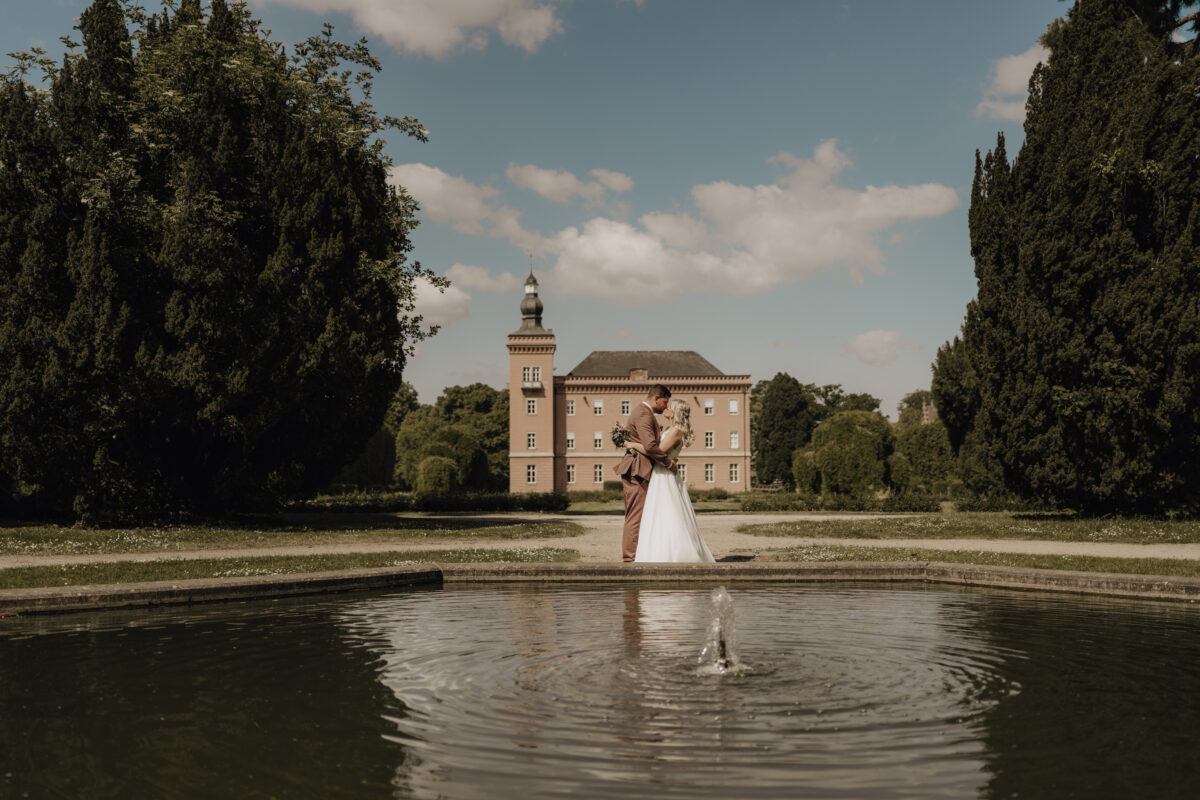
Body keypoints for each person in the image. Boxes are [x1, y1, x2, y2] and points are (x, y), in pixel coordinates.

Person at [626, 398, 715, 563]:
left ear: (676, 412)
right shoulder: (669, 429)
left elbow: (656, 451)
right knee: (658, 513)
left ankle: (675, 554)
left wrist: (632, 445)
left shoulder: (675, 431)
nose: (666, 407)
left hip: (665, 476)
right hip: (660, 473)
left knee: (668, 512)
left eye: (670, 406)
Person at [615, 384, 676, 562]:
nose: (666, 407)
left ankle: (636, 555)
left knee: (639, 514)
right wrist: (668, 463)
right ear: (656, 398)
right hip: (637, 470)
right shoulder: (644, 413)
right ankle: (630, 558)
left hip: (639, 468)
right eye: (665, 402)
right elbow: (650, 446)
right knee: (635, 515)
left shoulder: (644, 412)